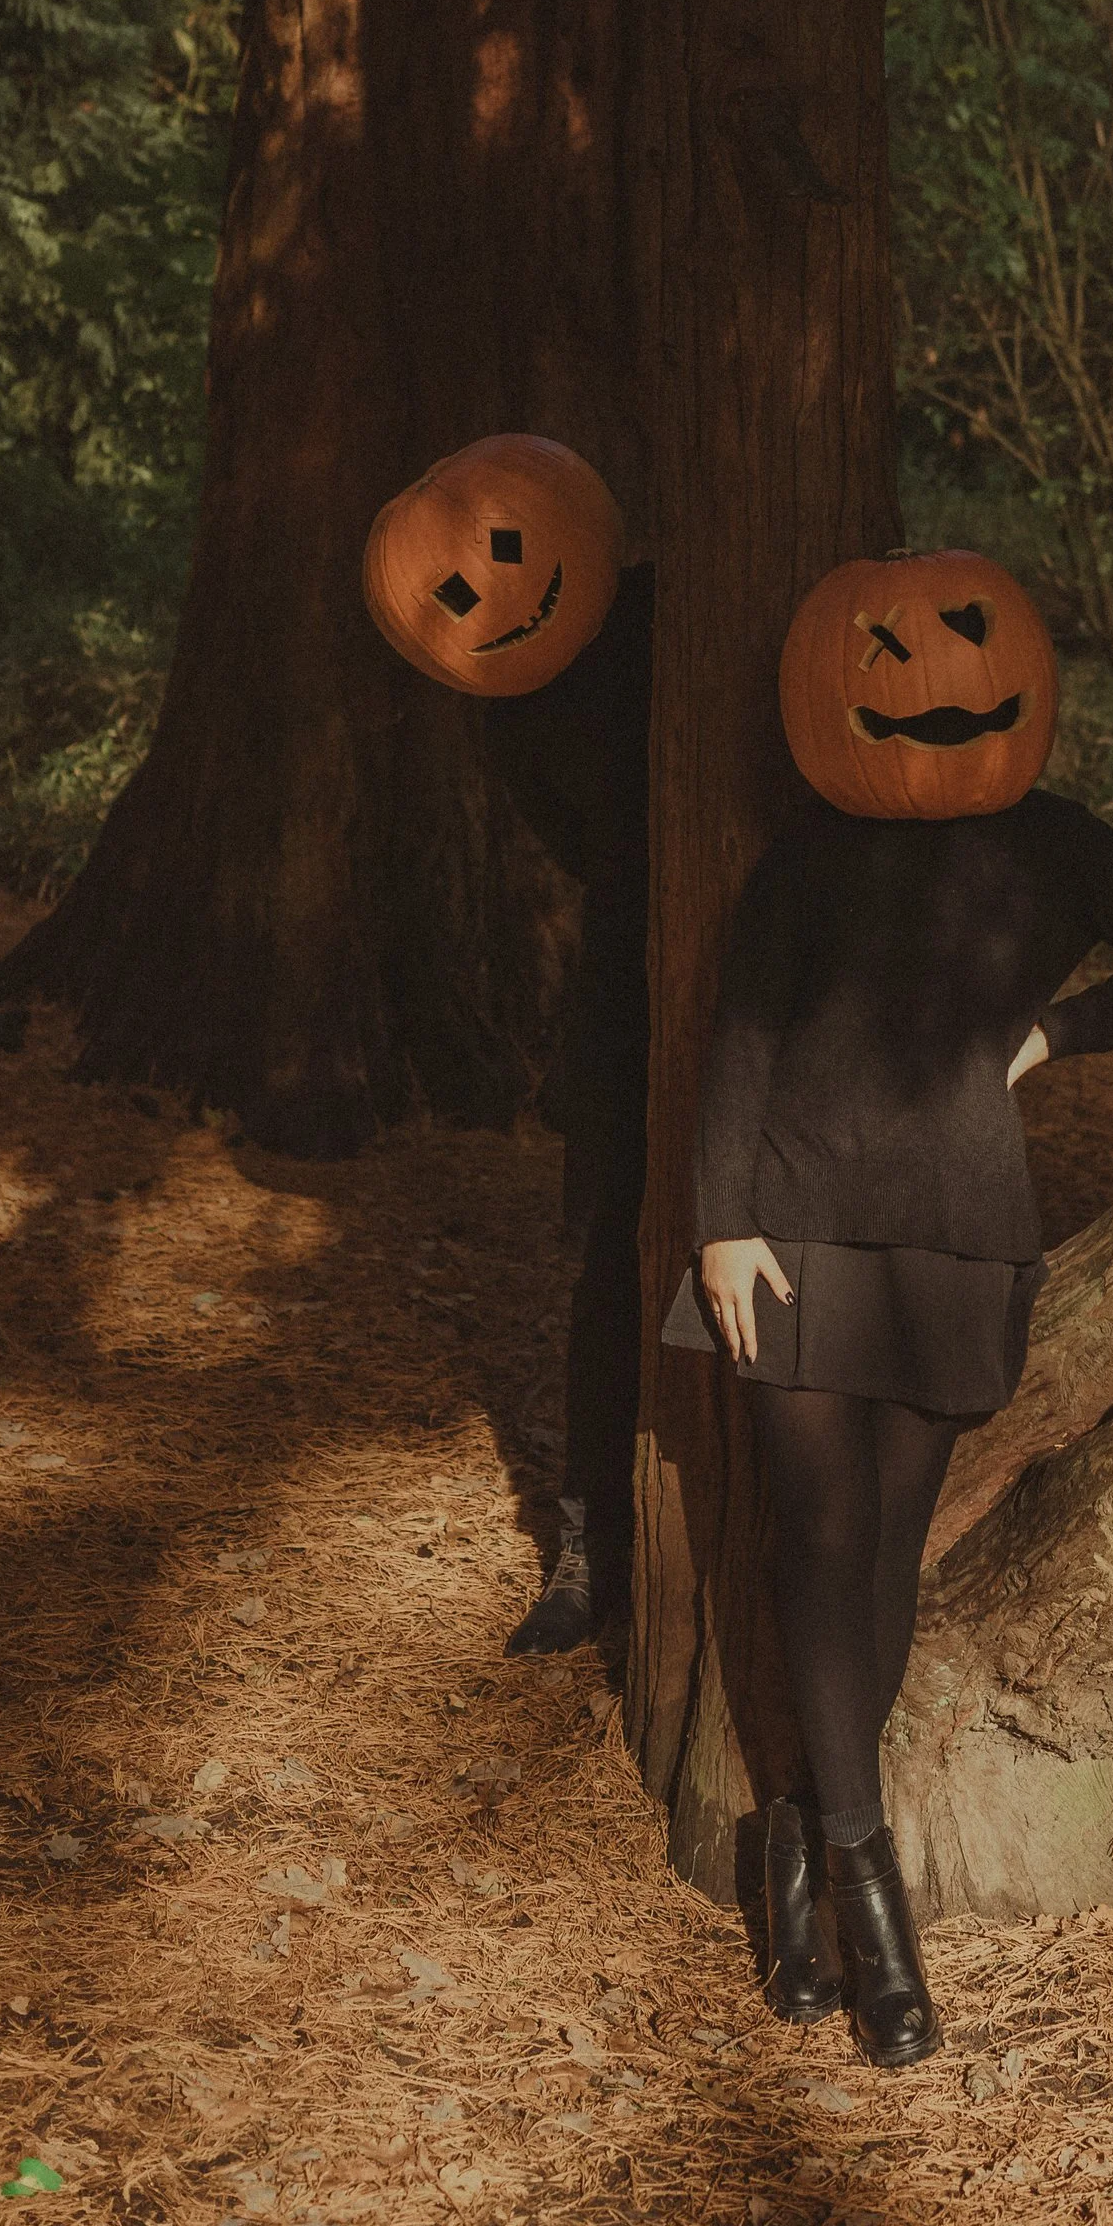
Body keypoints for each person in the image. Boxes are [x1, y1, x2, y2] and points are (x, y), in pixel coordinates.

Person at [662, 549, 1113, 2065]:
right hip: (787, 1227)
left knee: (886, 1561)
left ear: (1020, 674)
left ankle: (789, 1842)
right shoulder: (804, 854)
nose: (930, 683)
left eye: (966, 645)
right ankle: (871, 1896)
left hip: (960, 1236)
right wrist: (720, 1225)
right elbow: (738, 1039)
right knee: (814, 1545)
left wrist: (1053, 1031)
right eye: (890, 656)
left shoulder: (1054, 847)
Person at [362, 435, 649, 1656]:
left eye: (506, 557)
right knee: (611, 1276)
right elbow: (590, 853)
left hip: (770, 983)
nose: (487, 593)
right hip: (627, 1002)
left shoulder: (676, 612)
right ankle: (597, 1543)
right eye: (458, 590)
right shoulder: (514, 704)